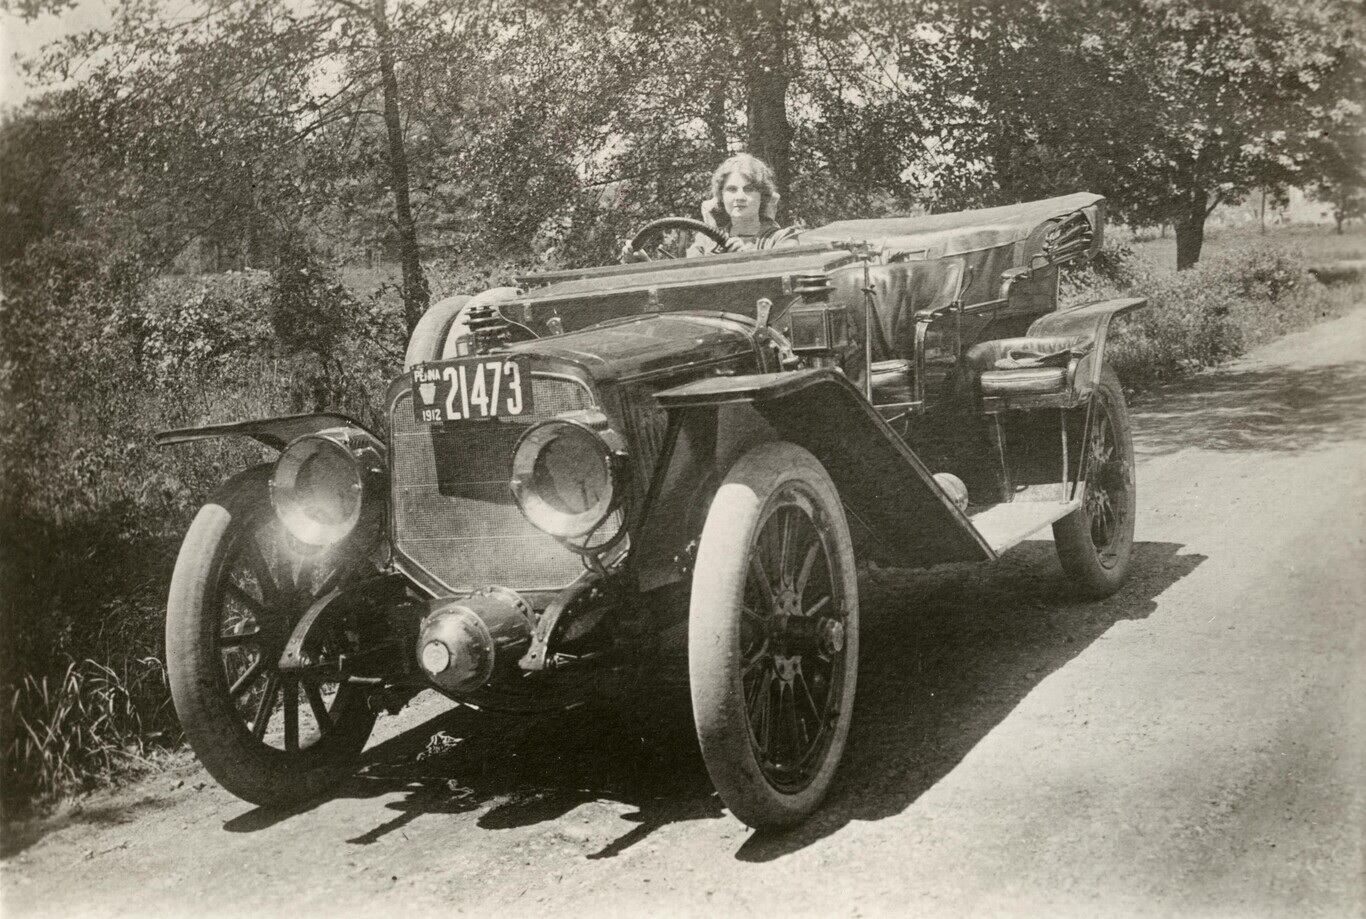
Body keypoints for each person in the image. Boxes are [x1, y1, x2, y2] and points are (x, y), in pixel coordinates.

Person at [686, 153, 800, 256]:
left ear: (762, 196)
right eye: (731, 189)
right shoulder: (705, 242)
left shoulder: (782, 238)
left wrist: (746, 257)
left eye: (749, 189)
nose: (740, 197)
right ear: (722, 196)